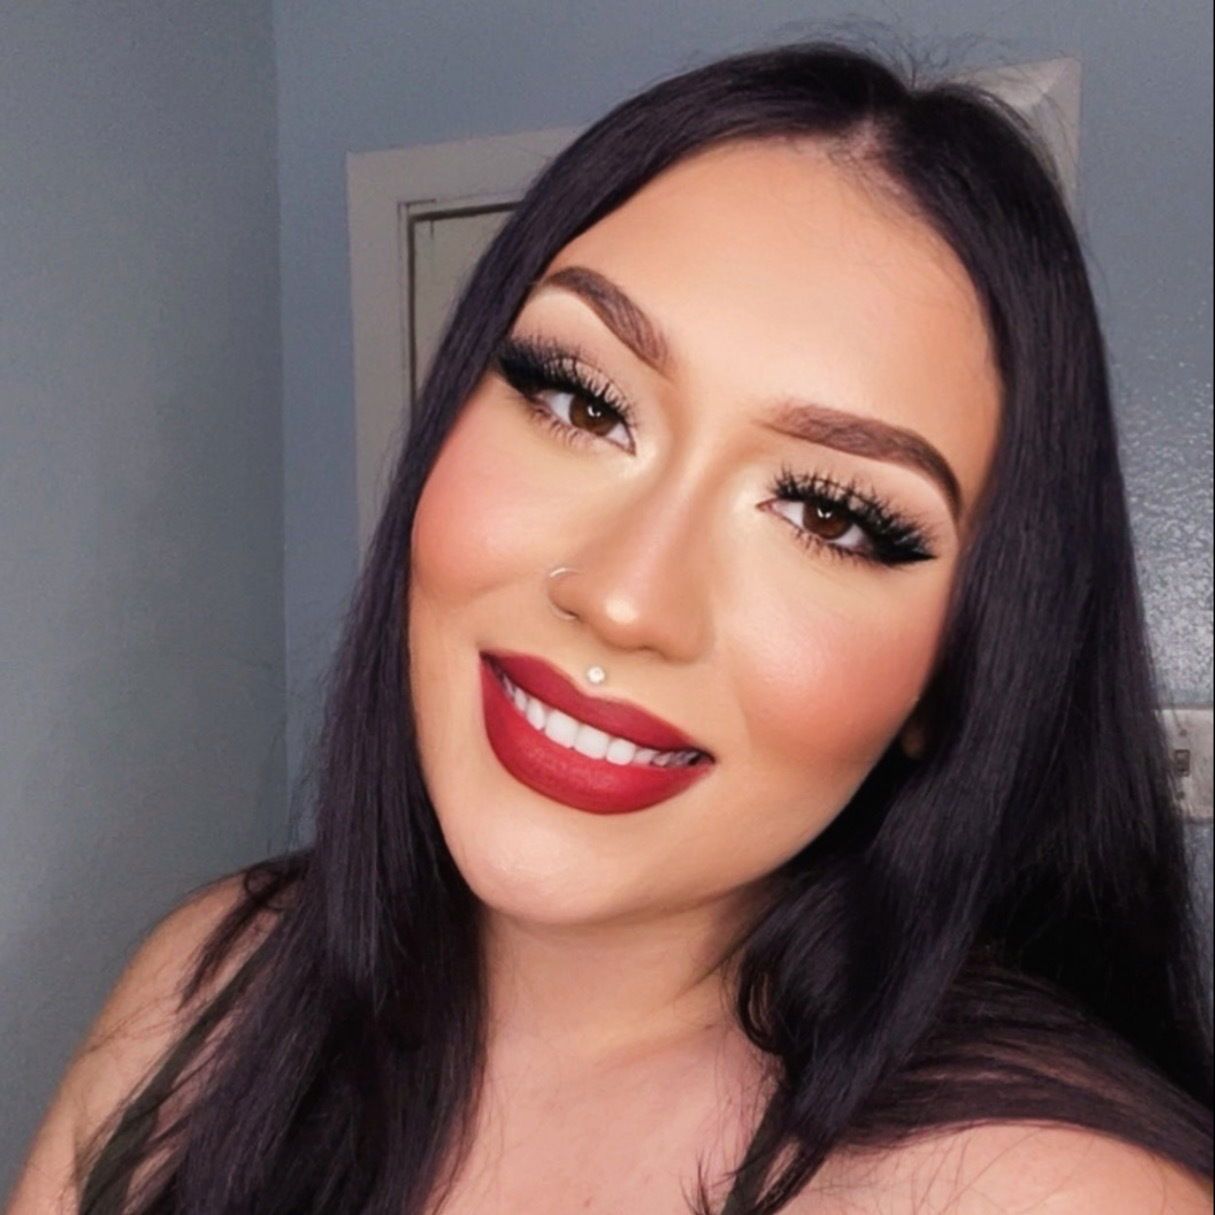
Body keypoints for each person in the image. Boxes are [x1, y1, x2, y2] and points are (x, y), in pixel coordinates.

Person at [7, 39, 1212, 1215]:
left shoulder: (1056, 1194)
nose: (627, 598)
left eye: (829, 516)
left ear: (958, 672)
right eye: (583, 402)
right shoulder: (211, 986)